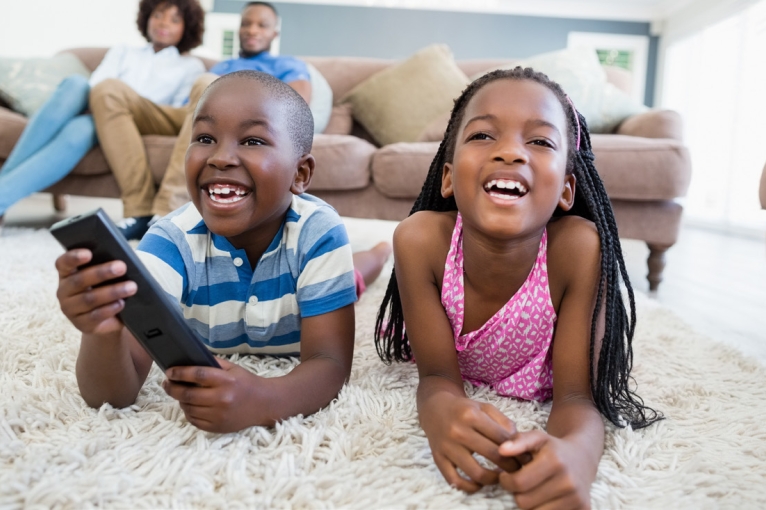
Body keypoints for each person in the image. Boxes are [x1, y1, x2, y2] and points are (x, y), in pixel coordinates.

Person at [374, 67, 662, 508]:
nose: (510, 152)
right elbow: (435, 377)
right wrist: (439, 410)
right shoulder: (419, 241)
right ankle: (368, 260)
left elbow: (576, 397)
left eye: (541, 141)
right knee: (364, 266)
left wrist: (577, 458)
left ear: (567, 190)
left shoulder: (578, 250)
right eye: (483, 136)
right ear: (448, 178)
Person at [55, 70, 390, 433]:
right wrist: (101, 333)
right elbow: (111, 396)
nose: (220, 157)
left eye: (253, 141)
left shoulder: (320, 232)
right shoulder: (169, 240)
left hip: (309, 291)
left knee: (356, 274)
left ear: (301, 174)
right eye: (204, 137)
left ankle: (381, 251)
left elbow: (329, 363)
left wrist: (265, 399)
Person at [95, 1, 313, 240]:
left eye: (262, 25)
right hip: (193, 117)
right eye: (246, 24)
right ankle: (139, 211)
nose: (252, 30)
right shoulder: (223, 66)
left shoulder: (287, 65)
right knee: (112, 90)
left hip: (235, 124)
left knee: (207, 82)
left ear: (274, 33)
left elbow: (297, 107)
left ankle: (167, 211)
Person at [0, 0, 206, 229]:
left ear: (187, 27)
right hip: (100, 108)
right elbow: (98, 85)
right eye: (158, 15)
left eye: (174, 19)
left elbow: (168, 115)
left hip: (131, 122)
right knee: (76, 86)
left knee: (83, 127)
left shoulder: (191, 67)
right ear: (147, 17)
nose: (163, 23)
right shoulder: (123, 51)